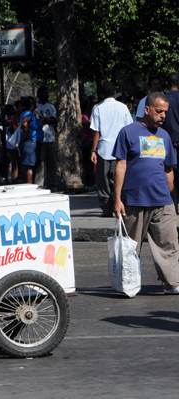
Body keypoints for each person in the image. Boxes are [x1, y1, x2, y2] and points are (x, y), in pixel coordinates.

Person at [113, 92, 179, 294]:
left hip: (162, 201)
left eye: (165, 112)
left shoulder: (164, 136)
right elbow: (120, 166)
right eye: (159, 111)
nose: (163, 116)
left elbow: (168, 170)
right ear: (147, 109)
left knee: (169, 244)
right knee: (130, 248)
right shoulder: (127, 133)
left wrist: (174, 199)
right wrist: (117, 200)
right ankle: (127, 284)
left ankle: (173, 283)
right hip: (134, 201)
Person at [90, 81, 133, 217]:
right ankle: (119, 205)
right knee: (118, 179)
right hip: (120, 149)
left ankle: (107, 208)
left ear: (102, 94)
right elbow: (129, 128)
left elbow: (96, 132)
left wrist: (93, 150)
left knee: (103, 181)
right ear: (115, 92)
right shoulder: (123, 107)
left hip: (104, 148)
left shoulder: (98, 108)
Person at [35, 87, 58, 191]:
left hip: (50, 139)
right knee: (40, 164)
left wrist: (46, 120)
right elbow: (36, 120)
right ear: (39, 94)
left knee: (51, 163)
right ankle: (39, 185)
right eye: (45, 93)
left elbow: (54, 119)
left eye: (47, 93)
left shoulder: (51, 106)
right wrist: (43, 120)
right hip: (40, 140)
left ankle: (51, 184)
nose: (47, 95)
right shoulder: (35, 107)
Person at [18, 97, 43, 184]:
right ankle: (29, 186)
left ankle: (29, 185)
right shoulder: (27, 114)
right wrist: (28, 134)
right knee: (29, 166)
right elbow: (24, 123)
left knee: (32, 165)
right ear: (32, 105)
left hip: (35, 142)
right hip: (31, 142)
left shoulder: (31, 114)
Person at [161, 72, 179, 190]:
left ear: (166, 83)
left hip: (169, 139)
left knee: (171, 169)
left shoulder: (163, 99)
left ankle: (174, 196)